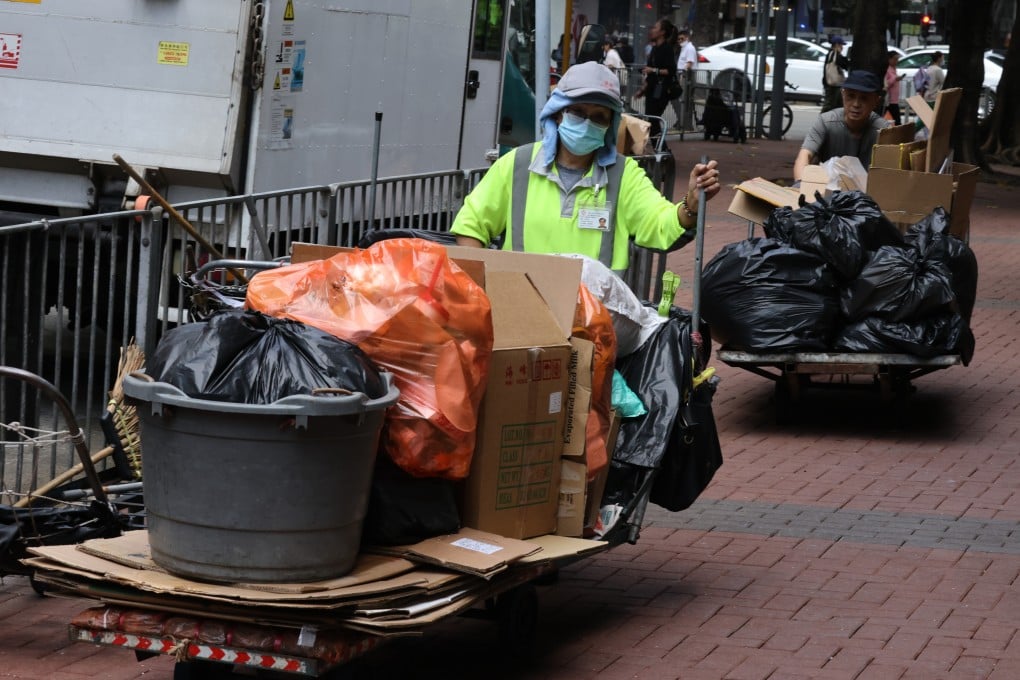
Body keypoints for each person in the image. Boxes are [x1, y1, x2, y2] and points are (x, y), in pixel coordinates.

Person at [450, 61, 721, 274]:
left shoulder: (624, 176)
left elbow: (660, 224)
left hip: (595, 324)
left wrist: (691, 204)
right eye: (578, 113)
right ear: (558, 113)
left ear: (609, 126)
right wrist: (480, 287)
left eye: (598, 117)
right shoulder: (517, 165)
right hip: (522, 315)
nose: (587, 123)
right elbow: (471, 227)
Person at [794, 69, 890, 181]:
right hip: (829, 190)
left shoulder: (884, 131)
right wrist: (800, 186)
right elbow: (804, 155)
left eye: (864, 98)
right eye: (851, 96)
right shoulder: (826, 122)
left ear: (876, 101)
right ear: (843, 95)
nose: (856, 104)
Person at [635, 18, 679, 141]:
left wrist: (654, 70)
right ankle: (659, 149)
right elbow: (649, 72)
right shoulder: (654, 49)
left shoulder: (667, 49)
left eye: (655, 28)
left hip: (662, 90)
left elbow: (671, 70)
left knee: (653, 119)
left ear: (662, 32)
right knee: (651, 119)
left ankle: (661, 149)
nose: (652, 30)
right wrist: (642, 89)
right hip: (651, 89)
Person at [674, 28, 698, 131]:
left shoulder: (689, 48)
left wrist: (681, 76)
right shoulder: (685, 48)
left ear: (687, 38)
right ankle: (682, 122)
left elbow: (689, 63)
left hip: (686, 75)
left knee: (685, 100)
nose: (679, 41)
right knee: (683, 100)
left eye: (681, 38)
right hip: (683, 74)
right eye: (678, 39)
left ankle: (685, 123)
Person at [821, 36, 849, 113]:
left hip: (830, 83)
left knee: (835, 104)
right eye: (841, 45)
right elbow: (845, 65)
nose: (842, 47)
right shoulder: (835, 55)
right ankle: (822, 121)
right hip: (833, 85)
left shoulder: (830, 54)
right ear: (836, 45)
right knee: (830, 105)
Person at [884, 50, 905, 125]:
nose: (897, 61)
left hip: (894, 100)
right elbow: (886, 83)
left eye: (897, 59)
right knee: (897, 120)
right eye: (895, 59)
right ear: (889, 59)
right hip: (889, 100)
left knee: (896, 120)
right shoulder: (887, 69)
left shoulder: (893, 69)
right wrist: (895, 79)